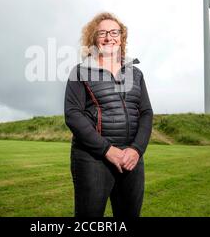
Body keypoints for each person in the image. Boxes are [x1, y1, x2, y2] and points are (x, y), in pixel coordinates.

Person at [64, 12, 154, 217]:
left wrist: (136, 150)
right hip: (93, 158)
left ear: (121, 37)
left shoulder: (136, 74)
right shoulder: (80, 71)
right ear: (93, 39)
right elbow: (73, 115)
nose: (108, 37)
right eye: (102, 33)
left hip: (131, 158)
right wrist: (107, 150)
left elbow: (146, 113)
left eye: (114, 32)